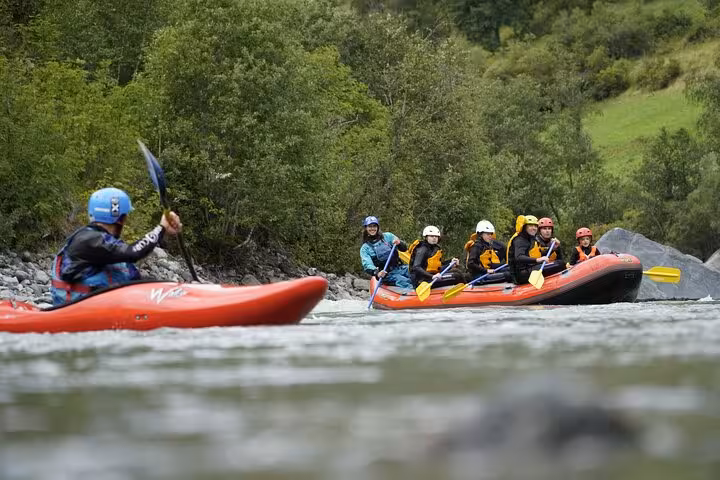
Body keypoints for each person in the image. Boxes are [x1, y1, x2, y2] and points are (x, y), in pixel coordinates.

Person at [51, 187, 182, 306]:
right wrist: (161, 228)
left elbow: (137, 281)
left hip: (101, 307)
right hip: (80, 310)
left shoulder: (101, 243)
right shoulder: (88, 240)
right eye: (125, 217)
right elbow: (134, 253)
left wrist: (175, 289)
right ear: (120, 219)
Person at [360, 216, 413, 289]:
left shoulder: (388, 236)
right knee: (403, 281)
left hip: (399, 267)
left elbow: (404, 249)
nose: (372, 229)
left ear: (377, 227)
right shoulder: (365, 248)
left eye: (374, 226)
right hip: (386, 275)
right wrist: (377, 273)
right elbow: (367, 264)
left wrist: (399, 243)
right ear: (366, 228)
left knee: (415, 271)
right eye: (370, 226)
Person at [507, 215, 557, 285]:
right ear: (524, 227)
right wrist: (537, 260)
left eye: (535, 226)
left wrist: (553, 248)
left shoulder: (530, 239)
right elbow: (519, 257)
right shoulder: (519, 240)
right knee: (558, 264)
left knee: (558, 263)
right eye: (530, 226)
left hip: (529, 269)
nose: (534, 228)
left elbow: (539, 254)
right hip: (521, 274)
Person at [464, 220, 511, 284]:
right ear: (481, 234)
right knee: (508, 274)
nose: (490, 236)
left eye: (491, 234)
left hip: (486, 273)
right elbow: (470, 264)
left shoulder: (487, 245)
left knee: (511, 269)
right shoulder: (476, 246)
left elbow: (490, 264)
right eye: (487, 234)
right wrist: (486, 271)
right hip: (479, 277)